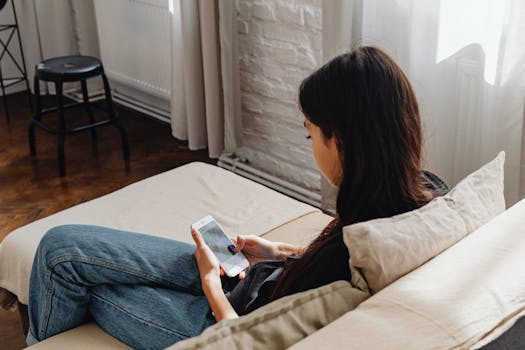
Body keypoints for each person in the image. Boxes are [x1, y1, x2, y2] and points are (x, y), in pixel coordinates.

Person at [26, 46, 449, 349]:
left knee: (81, 284)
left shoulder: (365, 234)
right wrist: (277, 252)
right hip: (258, 281)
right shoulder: (424, 193)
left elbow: (250, 341)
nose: (311, 144)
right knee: (60, 246)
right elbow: (334, 270)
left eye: (309, 133)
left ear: (340, 140)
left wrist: (211, 284)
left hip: (232, 321)